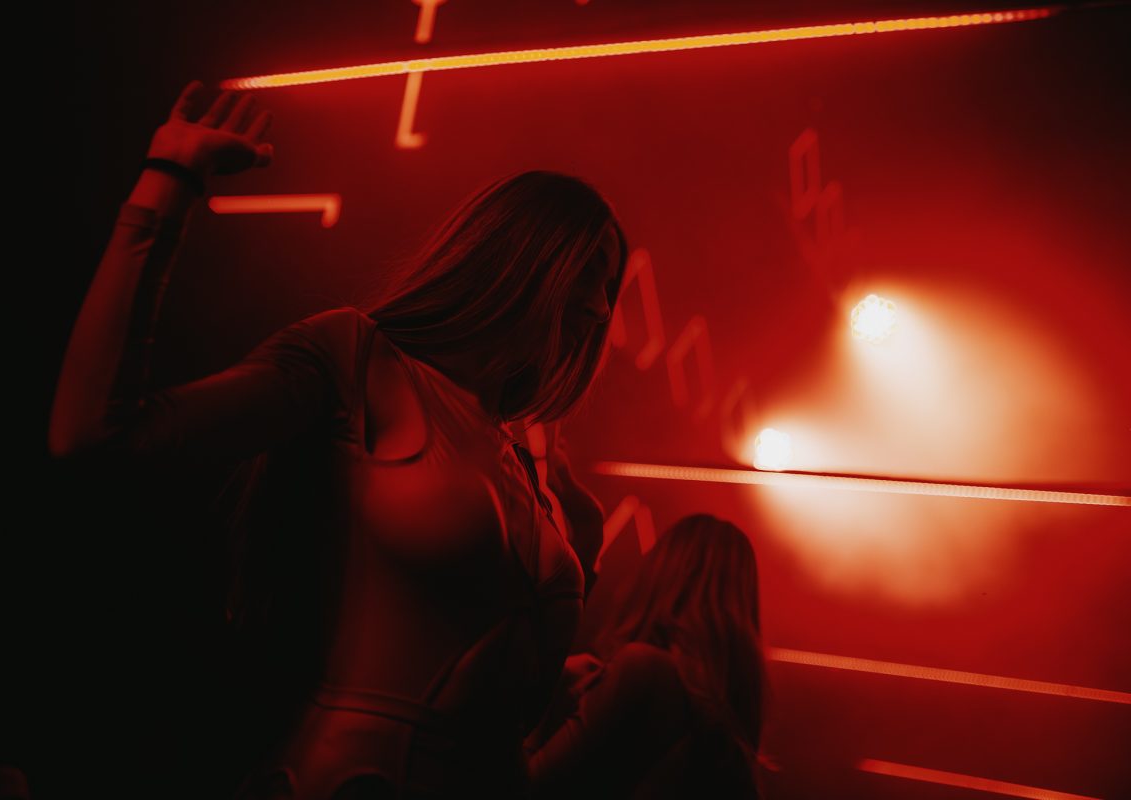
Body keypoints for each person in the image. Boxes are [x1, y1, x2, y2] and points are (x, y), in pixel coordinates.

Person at [48, 80, 628, 798]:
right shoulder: (359, 360)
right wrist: (168, 180)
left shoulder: (535, 473)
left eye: (610, 285)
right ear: (516, 258)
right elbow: (98, 432)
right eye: (586, 272)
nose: (598, 307)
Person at [525, 514, 767, 798]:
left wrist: (548, 680)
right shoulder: (726, 718)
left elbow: (524, 786)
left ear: (665, 575)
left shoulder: (643, 668)